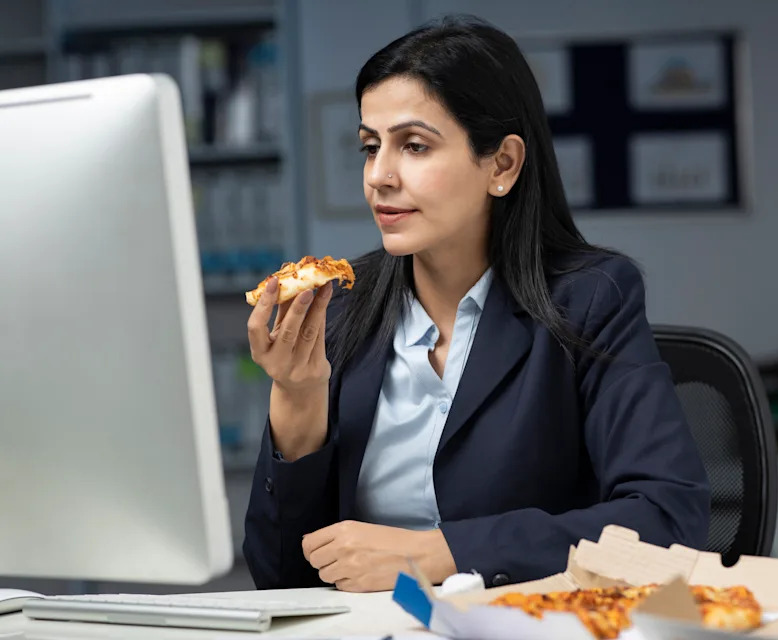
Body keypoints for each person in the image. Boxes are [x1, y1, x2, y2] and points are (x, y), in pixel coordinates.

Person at [243, 14, 710, 593]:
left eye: (414, 146)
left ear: (503, 165)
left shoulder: (592, 297)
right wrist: (298, 397)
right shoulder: (337, 308)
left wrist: (445, 553)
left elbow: (668, 521)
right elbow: (279, 576)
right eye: (370, 147)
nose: (379, 176)